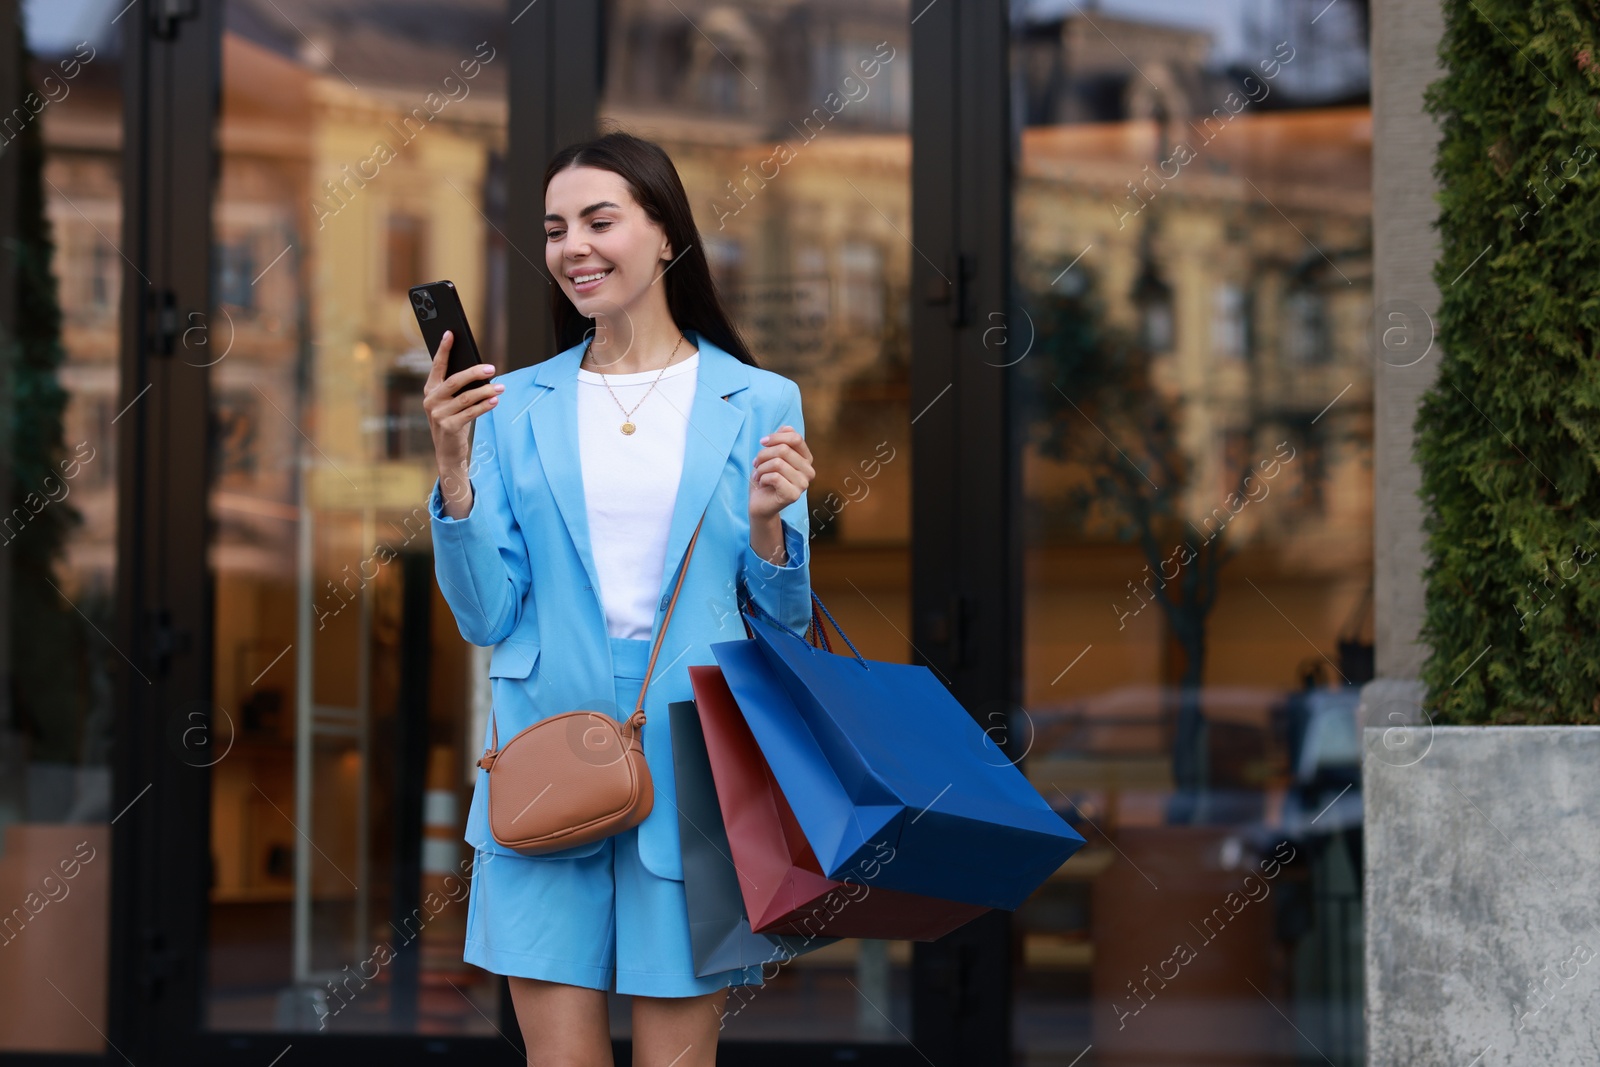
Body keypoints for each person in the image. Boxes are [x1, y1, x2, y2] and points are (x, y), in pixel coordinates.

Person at [422, 130, 815, 1066]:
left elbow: (785, 624)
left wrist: (769, 526)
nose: (573, 247)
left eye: (601, 220)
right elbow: (485, 615)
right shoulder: (511, 404)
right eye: (557, 228)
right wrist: (453, 471)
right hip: (542, 757)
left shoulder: (759, 399)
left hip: (695, 762)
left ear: (667, 235)